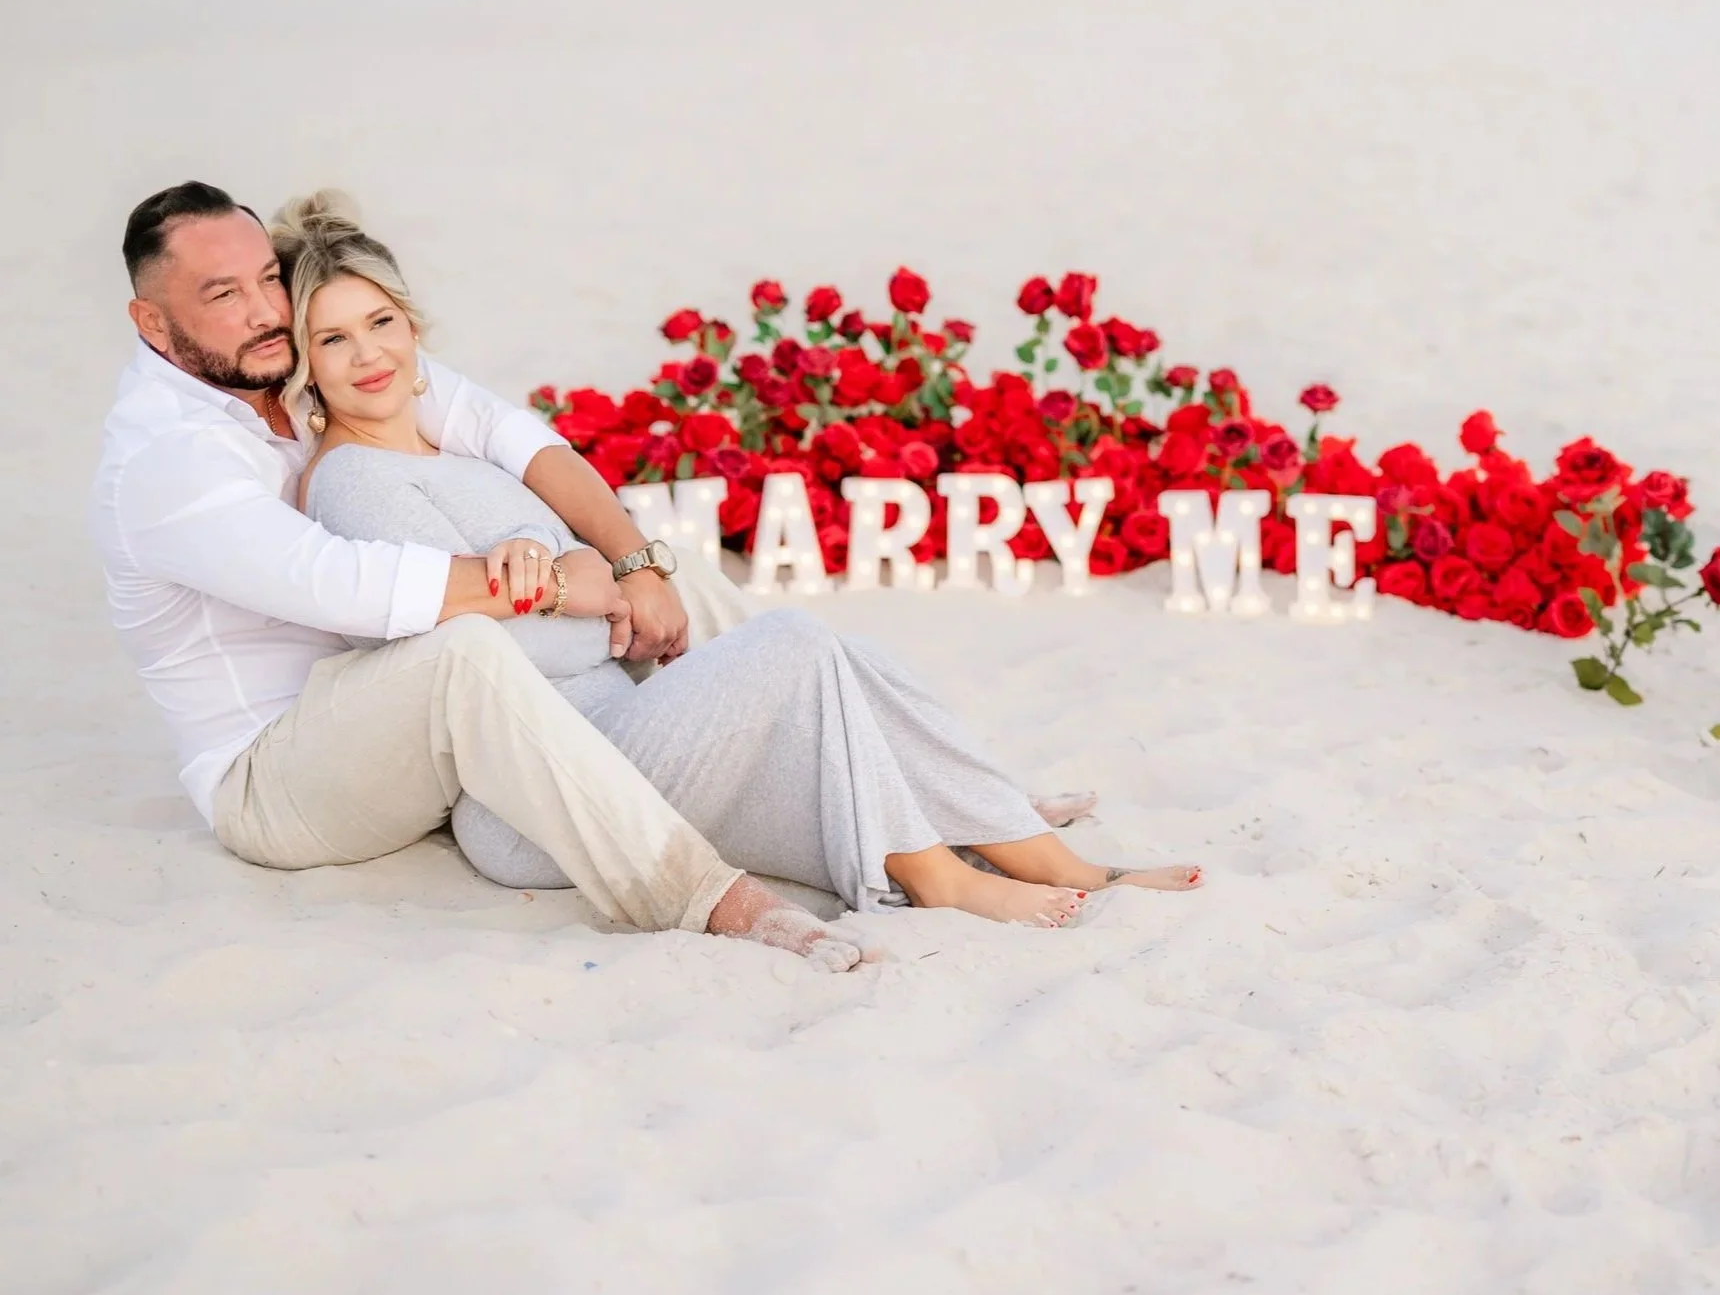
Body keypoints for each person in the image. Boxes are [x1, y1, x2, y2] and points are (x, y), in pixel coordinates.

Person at [276, 189, 1203, 923]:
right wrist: (600, 602)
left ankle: (1020, 842)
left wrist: (590, 586)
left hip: (625, 734)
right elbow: (475, 661)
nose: (368, 355)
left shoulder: (447, 445)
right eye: (333, 338)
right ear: (303, 365)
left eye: (381, 324)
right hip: (538, 797)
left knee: (837, 668)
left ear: (414, 325)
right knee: (792, 643)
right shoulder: (355, 482)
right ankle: (950, 879)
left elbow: (548, 579)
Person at [92, 181, 869, 970]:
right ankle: (710, 898)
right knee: (461, 653)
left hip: (391, 715)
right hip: (278, 778)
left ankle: (839, 765)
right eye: (223, 294)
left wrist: (632, 565)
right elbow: (334, 579)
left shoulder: (292, 362)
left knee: (681, 574)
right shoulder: (169, 458)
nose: (265, 309)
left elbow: (505, 433)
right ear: (152, 321)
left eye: (267, 277)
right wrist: (559, 585)